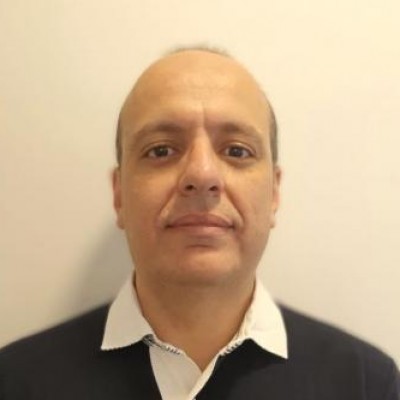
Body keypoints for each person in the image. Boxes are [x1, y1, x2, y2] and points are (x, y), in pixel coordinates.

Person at [0, 47, 399, 400]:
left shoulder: (366, 385)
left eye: (237, 150)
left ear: (274, 192)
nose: (202, 174)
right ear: (119, 194)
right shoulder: (15, 383)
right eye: (161, 150)